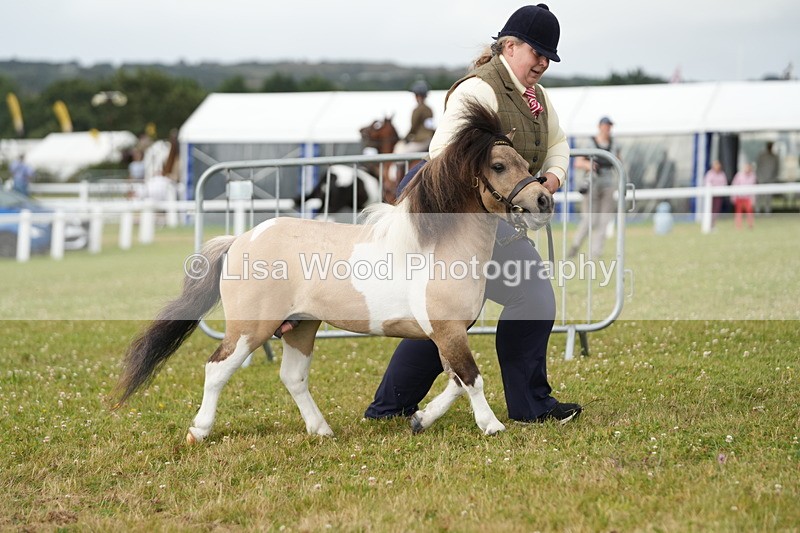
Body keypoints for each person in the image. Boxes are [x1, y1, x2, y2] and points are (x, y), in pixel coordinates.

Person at [364, 4, 581, 424]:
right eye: (537, 52)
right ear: (510, 46)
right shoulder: (477, 91)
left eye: (548, 58)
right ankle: (529, 407)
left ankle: (389, 407)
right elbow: (441, 154)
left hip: (494, 221)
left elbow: (559, 145)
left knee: (448, 312)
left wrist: (549, 181)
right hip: (462, 222)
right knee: (524, 298)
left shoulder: (536, 98)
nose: (542, 63)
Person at [568, 116, 619, 258]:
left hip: (608, 185)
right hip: (592, 184)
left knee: (604, 221)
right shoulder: (590, 143)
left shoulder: (615, 144)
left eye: (609, 126)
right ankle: (575, 246)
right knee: (589, 220)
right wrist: (589, 165)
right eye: (605, 125)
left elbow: (619, 162)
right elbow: (578, 162)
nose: (607, 128)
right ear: (600, 126)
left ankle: (595, 254)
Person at [395, 80, 436, 154]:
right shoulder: (429, 109)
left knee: (399, 150)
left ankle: (397, 166)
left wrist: (405, 139)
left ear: (418, 95)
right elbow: (430, 125)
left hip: (421, 140)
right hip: (430, 139)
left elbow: (414, 127)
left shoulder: (417, 110)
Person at [755, 141, 779, 214]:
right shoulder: (762, 155)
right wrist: (758, 176)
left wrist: (774, 177)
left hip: (770, 179)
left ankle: (767, 211)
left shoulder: (775, 157)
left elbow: (777, 168)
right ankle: (757, 210)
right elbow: (758, 166)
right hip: (761, 178)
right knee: (759, 196)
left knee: (768, 196)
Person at [731, 162, 756, 229]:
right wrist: (733, 197)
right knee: (738, 212)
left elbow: (754, 188)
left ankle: (750, 225)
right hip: (739, 197)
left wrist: (753, 199)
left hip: (748, 197)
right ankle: (738, 226)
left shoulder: (753, 176)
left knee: (749, 211)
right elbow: (734, 185)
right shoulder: (739, 175)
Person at [703, 159, 728, 227]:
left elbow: (724, 183)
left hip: (718, 195)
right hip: (711, 196)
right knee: (710, 210)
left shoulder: (722, 174)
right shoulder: (710, 174)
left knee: (716, 211)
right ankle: (709, 224)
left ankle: (713, 224)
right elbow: (707, 183)